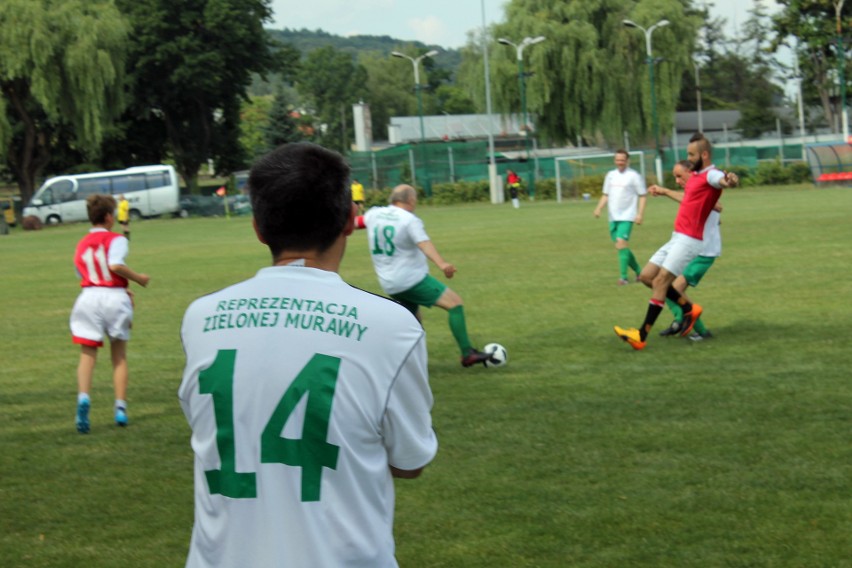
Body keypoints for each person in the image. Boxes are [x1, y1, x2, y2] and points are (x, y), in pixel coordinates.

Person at [179, 143, 437, 567]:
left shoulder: (200, 318)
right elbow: (409, 462)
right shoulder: (393, 327)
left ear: (258, 228)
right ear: (348, 224)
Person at [615, 133, 738, 350]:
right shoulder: (696, 178)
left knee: (663, 283)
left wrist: (728, 181)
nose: (689, 158)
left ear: (705, 154)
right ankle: (688, 311)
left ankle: (641, 335)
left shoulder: (710, 175)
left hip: (692, 241)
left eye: (691, 154)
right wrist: (664, 191)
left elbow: (721, 180)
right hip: (677, 237)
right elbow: (687, 198)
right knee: (646, 276)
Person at [356, 184, 493, 367]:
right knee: (455, 304)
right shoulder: (408, 220)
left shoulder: (374, 214)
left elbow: (355, 223)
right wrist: (442, 264)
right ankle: (467, 353)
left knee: (413, 323)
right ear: (410, 200)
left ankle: (400, 362)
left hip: (388, 282)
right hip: (411, 279)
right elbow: (424, 243)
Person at [71, 194, 150, 433]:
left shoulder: (82, 243)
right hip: (114, 298)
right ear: (107, 217)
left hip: (88, 298)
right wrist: (138, 279)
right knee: (119, 355)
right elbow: (115, 265)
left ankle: (83, 398)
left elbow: (81, 273)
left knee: (87, 354)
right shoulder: (117, 239)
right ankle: (120, 408)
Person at [651, 160, 721, 341]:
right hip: (689, 247)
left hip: (703, 251)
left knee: (672, 287)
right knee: (661, 283)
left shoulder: (704, 189)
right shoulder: (695, 193)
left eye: (679, 176)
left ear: (692, 173)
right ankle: (680, 319)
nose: (677, 181)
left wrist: (665, 191)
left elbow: (717, 206)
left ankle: (701, 331)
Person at [594, 149, 647, 285]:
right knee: (620, 246)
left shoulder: (634, 176)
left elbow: (642, 195)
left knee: (621, 244)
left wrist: (639, 214)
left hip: (627, 216)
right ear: (614, 160)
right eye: (617, 160)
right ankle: (640, 273)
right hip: (613, 216)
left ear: (627, 161)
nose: (620, 162)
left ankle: (623, 278)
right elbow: (606, 194)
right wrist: (599, 208)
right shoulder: (610, 175)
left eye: (622, 160)